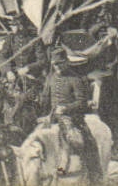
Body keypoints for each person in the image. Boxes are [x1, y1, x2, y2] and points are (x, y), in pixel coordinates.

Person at [45, 45, 102, 182]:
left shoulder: (75, 79)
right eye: (54, 64)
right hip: (53, 118)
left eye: (59, 64)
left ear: (66, 62)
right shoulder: (51, 78)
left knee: (85, 143)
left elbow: (81, 103)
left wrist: (65, 109)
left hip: (72, 118)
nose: (57, 67)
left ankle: (94, 176)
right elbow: (47, 99)